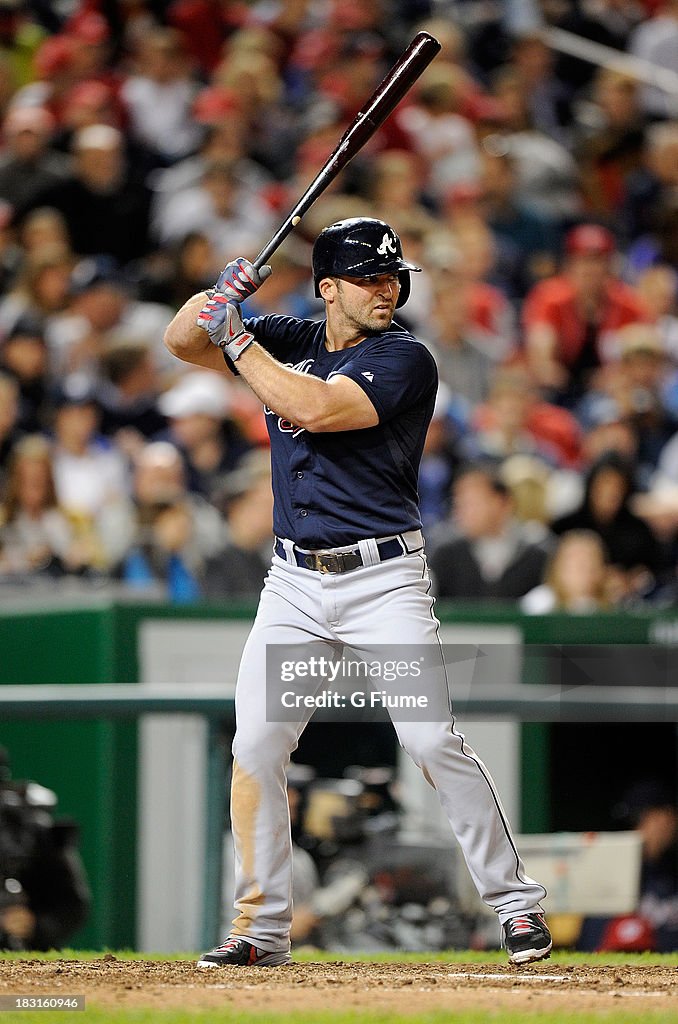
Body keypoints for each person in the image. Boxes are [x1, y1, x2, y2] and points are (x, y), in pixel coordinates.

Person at [163, 217, 551, 968]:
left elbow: (314, 408)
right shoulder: (294, 334)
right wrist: (220, 295)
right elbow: (182, 343)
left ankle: (516, 907)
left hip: (384, 583)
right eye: (370, 277)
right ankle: (263, 929)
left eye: (392, 277)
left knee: (431, 737)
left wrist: (237, 338)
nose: (387, 289)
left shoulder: (406, 356)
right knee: (257, 743)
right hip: (295, 588)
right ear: (328, 287)